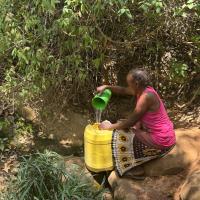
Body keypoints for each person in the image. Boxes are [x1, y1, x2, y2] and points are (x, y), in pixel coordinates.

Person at [97, 69, 176, 177]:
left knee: (118, 136)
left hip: (161, 140)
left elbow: (130, 122)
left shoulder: (146, 97)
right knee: (122, 125)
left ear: (136, 84)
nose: (128, 86)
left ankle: (132, 169)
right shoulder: (144, 90)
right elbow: (123, 90)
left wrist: (109, 126)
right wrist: (106, 87)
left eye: (129, 83)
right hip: (164, 134)